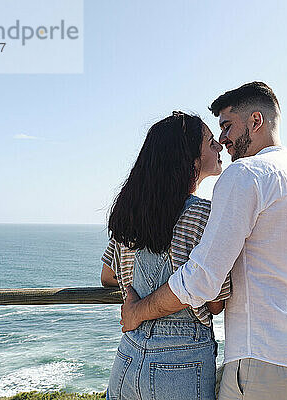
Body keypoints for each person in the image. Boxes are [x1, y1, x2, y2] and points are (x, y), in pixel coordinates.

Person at [120, 82, 287, 400]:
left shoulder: (245, 174)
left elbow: (201, 280)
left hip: (262, 357)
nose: (223, 139)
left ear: (256, 121)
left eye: (227, 126)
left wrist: (138, 311)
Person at [101, 111, 230, 400]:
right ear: (190, 158)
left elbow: (108, 276)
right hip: (181, 362)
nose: (219, 146)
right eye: (211, 143)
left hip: (128, 356)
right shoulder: (205, 215)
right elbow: (216, 303)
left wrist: (137, 298)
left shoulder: (130, 212)